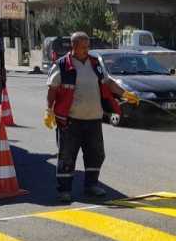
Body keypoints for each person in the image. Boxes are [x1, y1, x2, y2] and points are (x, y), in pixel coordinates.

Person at [45, 32, 138, 202]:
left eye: (88, 47)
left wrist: (125, 94)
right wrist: (49, 110)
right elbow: (52, 89)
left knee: (96, 154)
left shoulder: (95, 63)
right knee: (66, 157)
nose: (86, 50)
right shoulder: (61, 65)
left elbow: (108, 82)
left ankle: (91, 185)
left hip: (94, 120)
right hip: (70, 121)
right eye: (83, 47)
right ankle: (64, 190)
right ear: (73, 47)